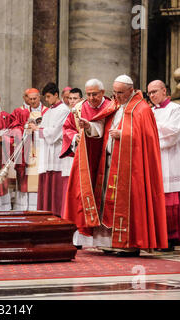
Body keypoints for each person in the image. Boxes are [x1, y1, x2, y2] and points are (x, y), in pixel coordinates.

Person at [64, 75, 168, 256]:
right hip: (110, 163)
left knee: (129, 203)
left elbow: (148, 140)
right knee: (106, 203)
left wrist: (124, 135)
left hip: (131, 168)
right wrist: (88, 126)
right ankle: (108, 242)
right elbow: (102, 128)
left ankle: (129, 243)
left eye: (120, 93)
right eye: (115, 92)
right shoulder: (116, 106)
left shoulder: (142, 109)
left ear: (131, 90)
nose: (117, 96)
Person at [60, 79, 112, 247]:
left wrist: (89, 126)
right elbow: (67, 128)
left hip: (105, 159)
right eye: (88, 94)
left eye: (94, 94)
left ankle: (102, 238)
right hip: (84, 159)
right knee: (78, 195)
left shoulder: (111, 107)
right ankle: (81, 237)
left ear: (102, 93)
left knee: (103, 197)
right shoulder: (78, 108)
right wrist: (75, 136)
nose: (90, 98)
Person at [149, 80, 180, 250]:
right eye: (150, 93)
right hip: (154, 160)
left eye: (155, 91)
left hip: (171, 160)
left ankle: (170, 238)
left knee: (170, 202)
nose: (152, 95)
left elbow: (173, 133)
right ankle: (156, 237)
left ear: (164, 91)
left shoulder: (176, 109)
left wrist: (151, 129)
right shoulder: (150, 111)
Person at [28, 83, 71, 217]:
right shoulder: (49, 111)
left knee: (55, 187)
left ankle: (56, 214)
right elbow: (44, 130)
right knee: (46, 185)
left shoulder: (64, 110)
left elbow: (54, 134)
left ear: (56, 95)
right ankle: (45, 213)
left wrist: (37, 129)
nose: (46, 100)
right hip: (47, 153)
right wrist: (35, 127)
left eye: (48, 96)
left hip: (56, 154)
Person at [11, 88, 48, 211]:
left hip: (42, 150)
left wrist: (37, 129)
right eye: (30, 99)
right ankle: (25, 208)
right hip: (27, 151)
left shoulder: (47, 112)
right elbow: (14, 128)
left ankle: (40, 207)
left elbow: (53, 131)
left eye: (35, 99)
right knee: (27, 180)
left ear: (39, 97)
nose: (32, 101)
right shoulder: (20, 112)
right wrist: (24, 129)